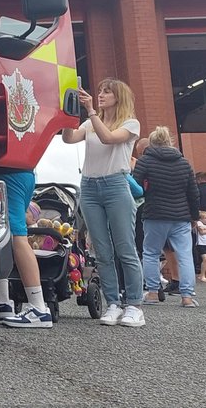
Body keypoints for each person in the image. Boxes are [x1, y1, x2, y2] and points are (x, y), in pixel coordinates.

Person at [62, 78, 145, 327]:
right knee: (102, 250)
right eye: (100, 91)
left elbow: (109, 138)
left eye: (107, 92)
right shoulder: (90, 122)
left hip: (116, 184)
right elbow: (68, 138)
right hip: (89, 185)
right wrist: (69, 114)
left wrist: (90, 111)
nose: (101, 95)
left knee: (125, 248)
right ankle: (113, 303)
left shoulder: (130, 123)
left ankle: (134, 305)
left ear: (119, 97)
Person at [0, 169, 53, 327]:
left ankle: (39, 308)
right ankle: (1, 302)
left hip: (7, 174)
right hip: (22, 173)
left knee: (18, 237)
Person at [132, 126, 199, 308]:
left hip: (154, 213)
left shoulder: (145, 161)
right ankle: (186, 296)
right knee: (184, 255)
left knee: (151, 252)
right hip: (181, 215)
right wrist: (194, 216)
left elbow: (135, 188)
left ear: (152, 144)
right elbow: (193, 193)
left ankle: (153, 292)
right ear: (170, 142)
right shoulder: (184, 163)